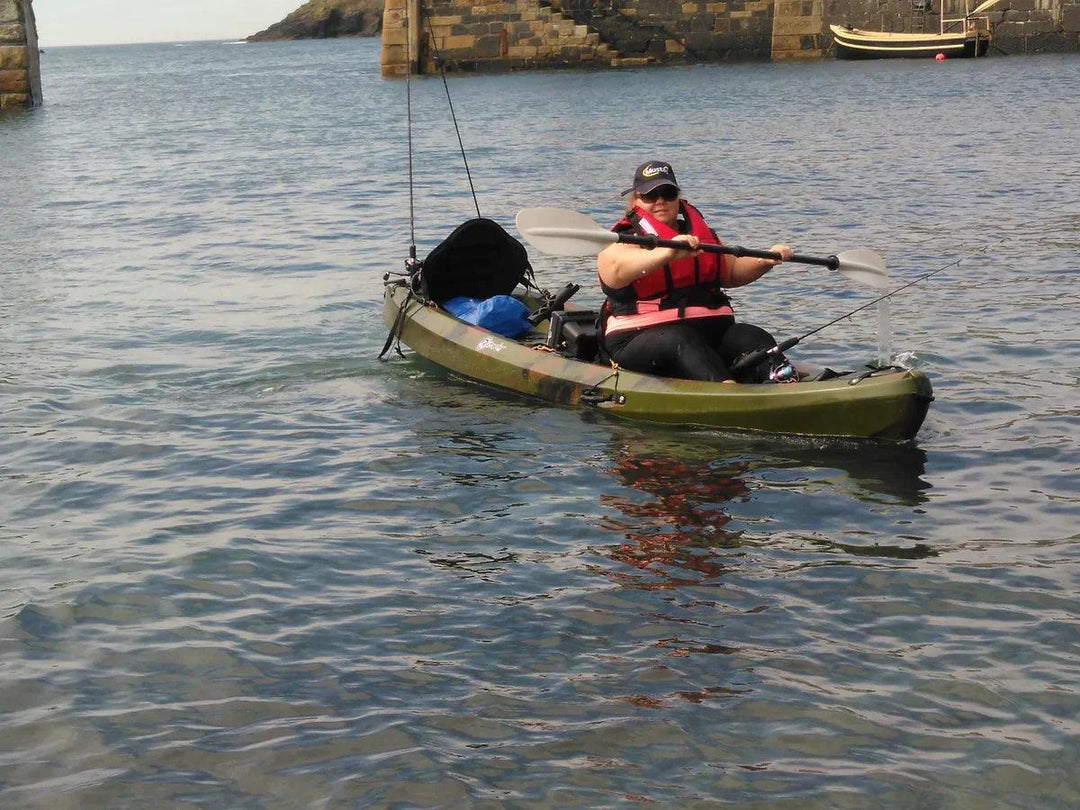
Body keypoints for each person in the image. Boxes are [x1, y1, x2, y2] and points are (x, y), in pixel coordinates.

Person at [597, 160, 796, 384]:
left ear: (678, 197)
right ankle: (727, 392)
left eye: (668, 193)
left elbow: (730, 272)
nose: (660, 200)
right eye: (650, 195)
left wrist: (766, 259)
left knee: (750, 335)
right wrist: (668, 252)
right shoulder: (624, 240)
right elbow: (614, 269)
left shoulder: (698, 236)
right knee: (679, 339)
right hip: (638, 339)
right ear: (636, 201)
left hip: (709, 334)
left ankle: (786, 382)